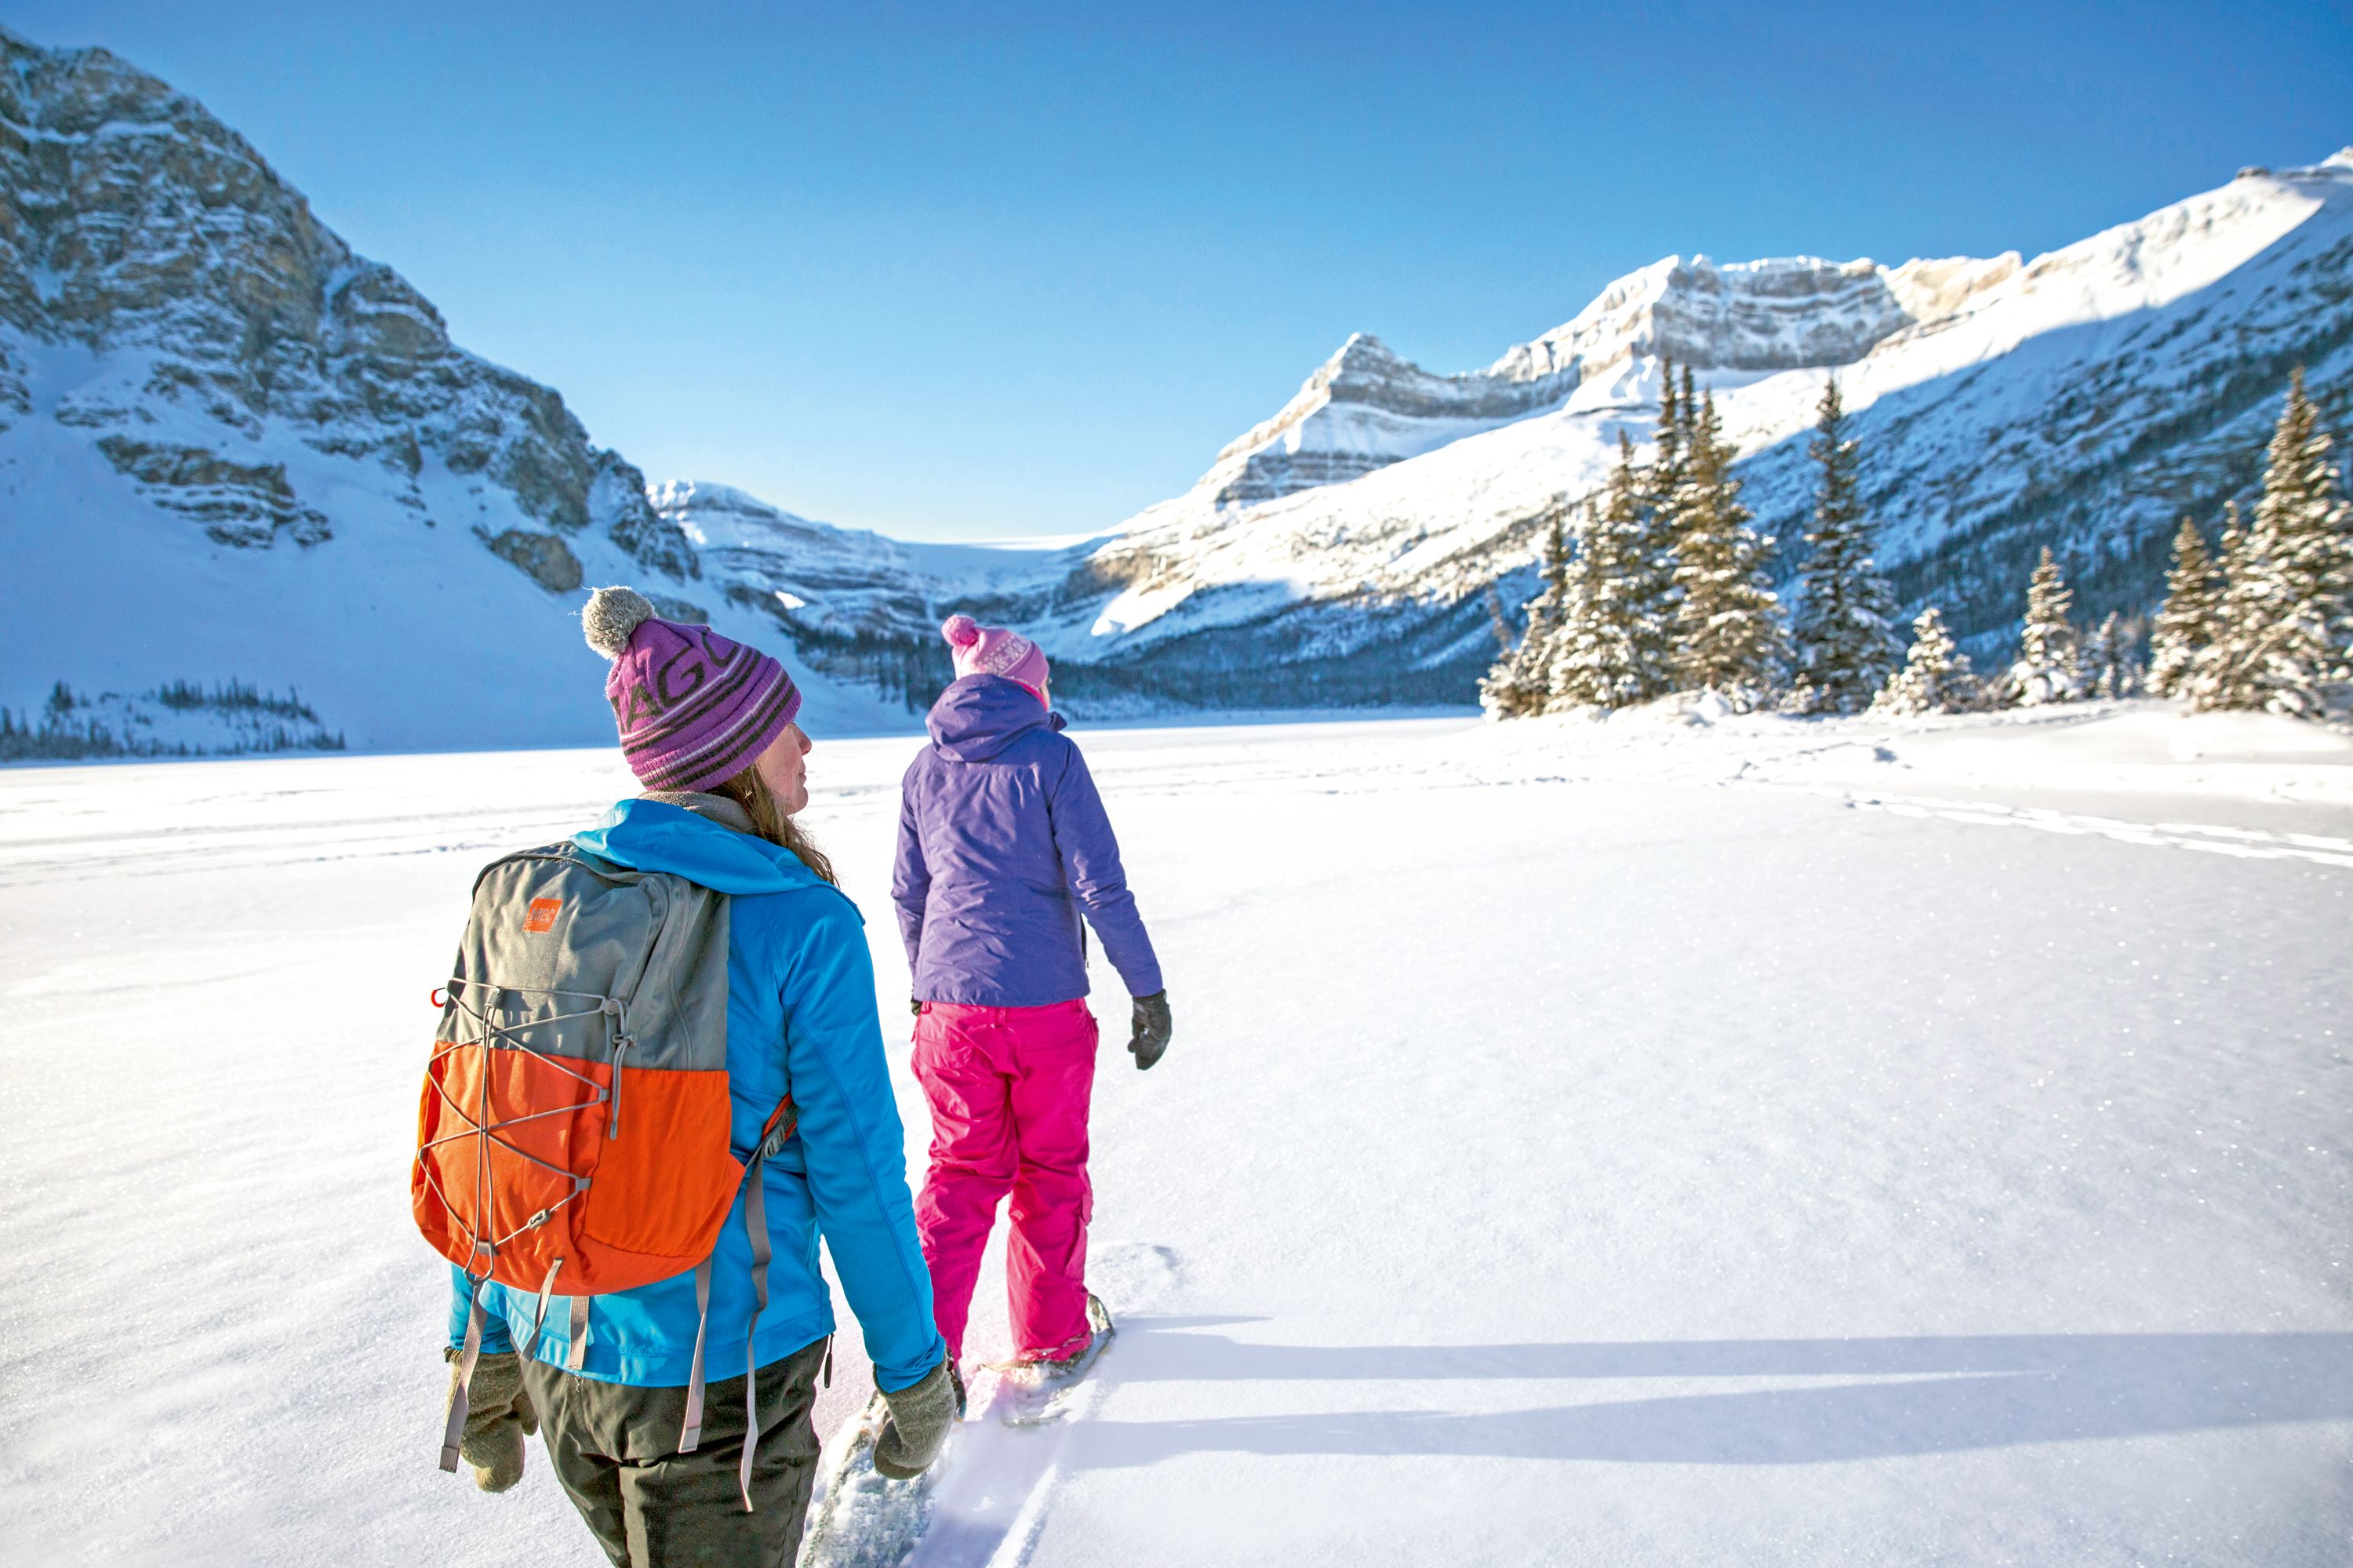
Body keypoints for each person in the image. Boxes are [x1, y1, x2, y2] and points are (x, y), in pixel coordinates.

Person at [439, 587, 957, 1567]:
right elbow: (857, 1176)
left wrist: (482, 1355)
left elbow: (495, 1140)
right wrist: (915, 1372)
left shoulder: (535, 901)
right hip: (725, 1389)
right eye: (782, 727)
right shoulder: (802, 925)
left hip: (562, 1363)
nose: (807, 743)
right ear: (732, 756)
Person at [892, 613, 1173, 1384]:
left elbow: (908, 893)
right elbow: (1100, 886)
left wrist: (928, 987)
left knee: (957, 1174)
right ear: (1027, 684)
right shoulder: (1053, 756)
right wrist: (1146, 989)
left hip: (949, 1012)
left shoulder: (924, 767)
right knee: (1049, 1172)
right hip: (1044, 1010)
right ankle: (1050, 1340)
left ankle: (923, 1363)